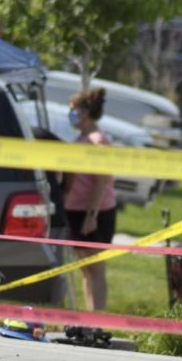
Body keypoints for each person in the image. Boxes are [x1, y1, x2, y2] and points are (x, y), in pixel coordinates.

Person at [63, 87, 118, 314]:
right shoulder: (80, 139)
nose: (70, 115)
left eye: (73, 110)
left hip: (96, 213)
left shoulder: (98, 140)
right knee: (85, 269)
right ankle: (89, 318)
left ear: (84, 112)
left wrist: (92, 215)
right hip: (75, 210)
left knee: (96, 268)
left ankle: (99, 319)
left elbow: (101, 181)